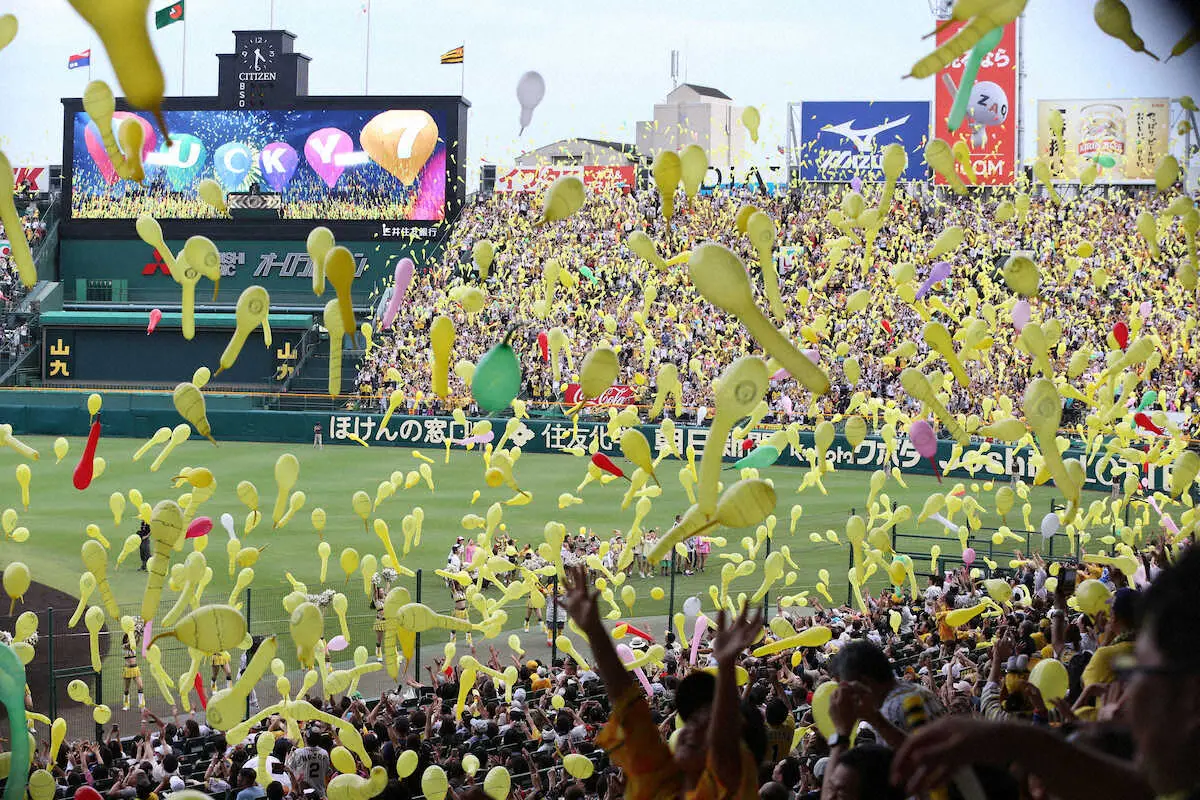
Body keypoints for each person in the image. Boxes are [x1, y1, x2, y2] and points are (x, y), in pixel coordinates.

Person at [891, 546, 1200, 800]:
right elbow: (1138, 787)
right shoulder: (1180, 778)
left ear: (1192, 696)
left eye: (1137, 673)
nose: (1127, 698)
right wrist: (1030, 743)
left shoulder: (1104, 660)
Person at [562, 563, 764, 799]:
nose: (691, 729)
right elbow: (628, 702)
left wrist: (728, 667)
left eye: (707, 727)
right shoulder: (658, 781)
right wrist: (593, 628)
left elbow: (726, 748)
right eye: (693, 721)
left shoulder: (731, 788)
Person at [122, 629, 145, 711]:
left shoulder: (133, 646)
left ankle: (142, 705)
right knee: (126, 688)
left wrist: (138, 635)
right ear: (126, 639)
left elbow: (137, 642)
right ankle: (126, 705)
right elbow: (130, 644)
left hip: (135, 669)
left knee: (140, 686)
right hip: (127, 669)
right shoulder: (124, 646)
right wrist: (134, 635)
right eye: (129, 638)